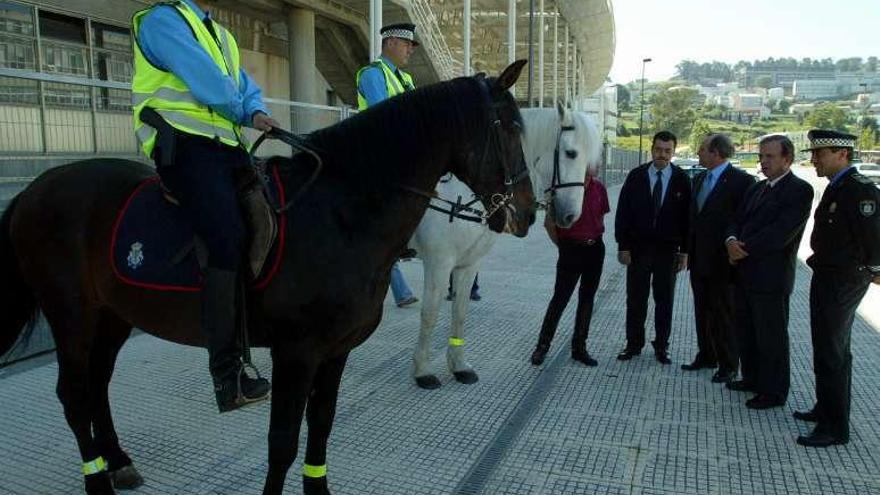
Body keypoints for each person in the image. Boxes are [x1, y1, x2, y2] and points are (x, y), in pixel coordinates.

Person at [132, 0, 276, 412]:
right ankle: (227, 377)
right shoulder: (163, 19)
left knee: (272, 216)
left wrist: (258, 109)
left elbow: (240, 81)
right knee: (226, 237)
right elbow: (208, 82)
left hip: (227, 148)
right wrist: (244, 110)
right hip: (183, 147)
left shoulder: (221, 34)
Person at [795, 130, 880, 447]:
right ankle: (825, 408)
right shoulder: (838, 187)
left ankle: (835, 427)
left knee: (834, 350)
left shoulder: (859, 190)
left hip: (844, 279)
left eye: (820, 154)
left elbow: (873, 236)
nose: (814, 159)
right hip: (828, 275)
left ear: (842, 154)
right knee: (824, 345)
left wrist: (874, 270)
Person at [725, 135, 813, 410]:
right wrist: (730, 240)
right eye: (761, 156)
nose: (763, 162)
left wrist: (743, 248)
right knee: (747, 331)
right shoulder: (758, 188)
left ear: (787, 159)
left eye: (770, 157)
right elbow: (736, 219)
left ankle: (773, 391)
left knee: (770, 336)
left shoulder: (799, 190)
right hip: (744, 274)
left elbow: (781, 233)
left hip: (771, 278)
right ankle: (752, 379)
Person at [356, 22, 419, 308]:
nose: (410, 51)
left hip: (401, 160)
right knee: (380, 227)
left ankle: (400, 287)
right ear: (391, 43)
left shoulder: (406, 79)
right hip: (375, 160)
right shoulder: (373, 74)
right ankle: (398, 287)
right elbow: (384, 116)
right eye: (406, 45)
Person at [615, 131, 691, 365]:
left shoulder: (681, 179)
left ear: (673, 151)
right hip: (638, 249)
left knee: (664, 300)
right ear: (652, 149)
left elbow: (688, 219)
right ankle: (633, 344)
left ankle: (661, 346)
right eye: (658, 149)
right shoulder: (636, 176)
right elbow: (623, 213)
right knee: (636, 299)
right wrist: (623, 246)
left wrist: (684, 251)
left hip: (667, 252)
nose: (662, 154)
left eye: (667, 151)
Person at [683, 134, 754, 383]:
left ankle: (728, 363)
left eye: (702, 149)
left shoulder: (742, 181)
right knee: (702, 310)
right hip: (699, 258)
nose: (698, 154)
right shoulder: (700, 178)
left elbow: (743, 220)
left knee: (724, 313)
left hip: (724, 262)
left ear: (716, 153)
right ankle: (706, 355)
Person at [530, 164, 610, 367]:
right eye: (591, 164)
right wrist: (564, 246)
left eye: (596, 164)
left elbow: (600, 217)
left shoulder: (599, 188)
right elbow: (549, 224)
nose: (595, 167)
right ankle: (542, 347)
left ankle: (579, 348)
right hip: (570, 250)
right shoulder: (562, 190)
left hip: (595, 250)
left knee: (587, 300)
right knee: (560, 300)